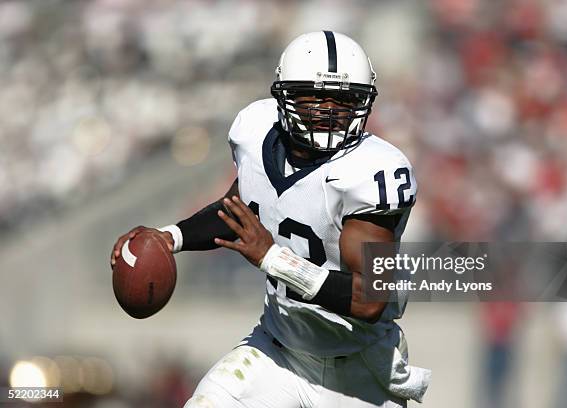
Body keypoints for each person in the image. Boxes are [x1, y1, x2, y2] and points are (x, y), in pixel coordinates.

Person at [111, 31, 430, 407]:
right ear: (285, 96)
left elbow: (369, 299)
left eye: (343, 100)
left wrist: (273, 259)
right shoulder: (255, 132)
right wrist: (169, 237)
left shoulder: (370, 171)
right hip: (279, 351)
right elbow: (240, 211)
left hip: (357, 371)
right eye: (314, 96)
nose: (328, 110)